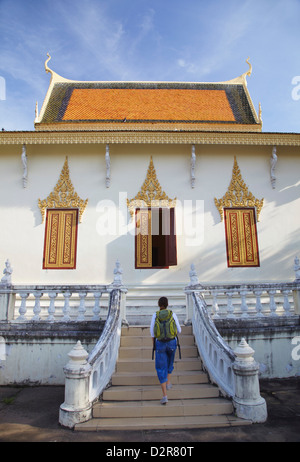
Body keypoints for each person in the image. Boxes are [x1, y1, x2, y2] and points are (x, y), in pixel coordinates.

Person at [150, 296, 181, 405]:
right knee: (170, 362)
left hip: (160, 343)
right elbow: (179, 330)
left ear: (159, 304)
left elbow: (152, 333)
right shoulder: (172, 314)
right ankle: (168, 382)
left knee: (160, 368)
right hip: (172, 342)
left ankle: (165, 396)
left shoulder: (155, 315)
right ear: (167, 304)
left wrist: (154, 344)